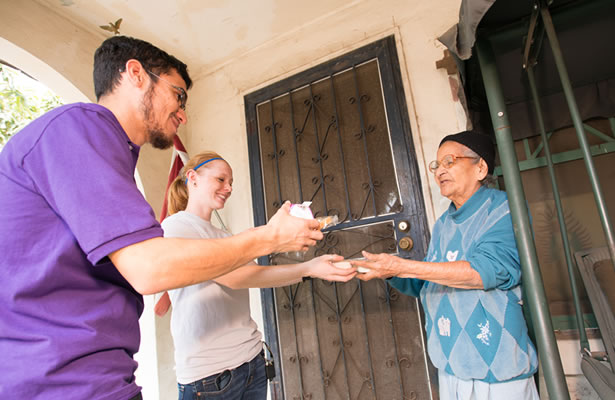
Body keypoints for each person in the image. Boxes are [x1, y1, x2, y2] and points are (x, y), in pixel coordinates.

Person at [0, 36, 323, 400]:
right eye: (178, 95)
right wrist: (270, 238)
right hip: (60, 385)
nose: (183, 114)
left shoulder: (110, 154)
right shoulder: (79, 126)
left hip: (100, 378)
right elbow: (149, 270)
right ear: (135, 74)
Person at [154, 151, 356, 400]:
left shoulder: (224, 234)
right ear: (193, 177)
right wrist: (274, 237)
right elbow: (233, 276)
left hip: (251, 362)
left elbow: (255, 274)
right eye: (221, 179)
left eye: (231, 183)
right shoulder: (177, 226)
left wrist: (310, 268)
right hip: (210, 376)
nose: (228, 188)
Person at [352, 131, 539, 400]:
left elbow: (481, 273)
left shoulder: (504, 208)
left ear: (481, 167)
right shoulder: (443, 224)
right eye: (437, 164)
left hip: (497, 369)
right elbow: (430, 283)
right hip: (451, 363)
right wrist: (385, 270)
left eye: (450, 161)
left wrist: (402, 267)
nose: (440, 170)